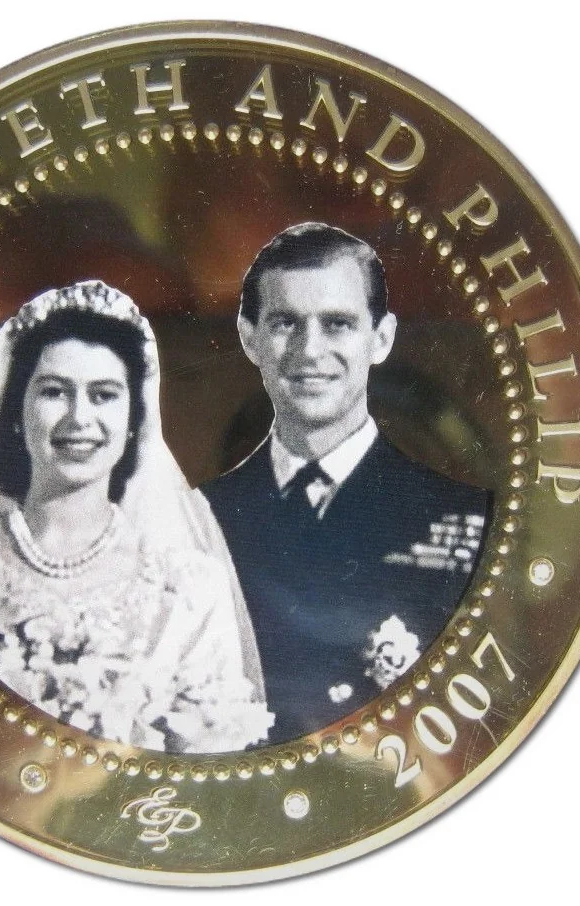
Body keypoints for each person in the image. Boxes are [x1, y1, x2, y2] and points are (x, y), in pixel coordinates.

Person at [0, 281, 272, 754]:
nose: (79, 418)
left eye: (103, 395)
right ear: (16, 411)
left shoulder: (189, 585)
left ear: (133, 420)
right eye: (54, 392)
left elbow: (209, 761)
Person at [201, 223, 491, 745]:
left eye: (337, 324)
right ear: (250, 338)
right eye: (285, 323)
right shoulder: (199, 517)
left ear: (381, 339)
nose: (309, 350)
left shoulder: (467, 519)